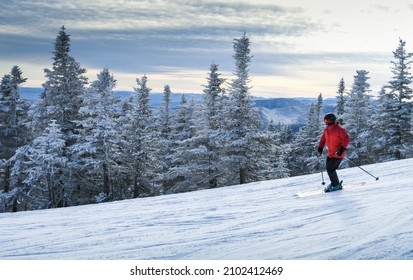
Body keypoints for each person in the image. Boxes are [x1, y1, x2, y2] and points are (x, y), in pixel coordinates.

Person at [317, 113, 350, 191]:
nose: (326, 122)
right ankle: (335, 183)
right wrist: (320, 149)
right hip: (331, 154)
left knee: (330, 169)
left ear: (332, 120)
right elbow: (323, 140)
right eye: (325, 121)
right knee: (329, 169)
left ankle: (335, 185)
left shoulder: (339, 129)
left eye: (327, 120)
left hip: (338, 154)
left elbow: (346, 139)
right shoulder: (327, 130)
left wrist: (341, 150)